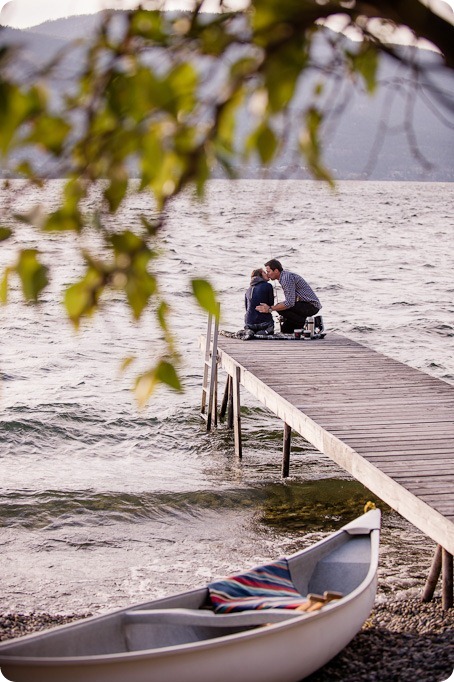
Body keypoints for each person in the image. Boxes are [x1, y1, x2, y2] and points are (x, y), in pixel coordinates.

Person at [256, 259, 321, 334]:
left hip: (311, 306)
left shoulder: (286, 278)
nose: (267, 274)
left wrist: (270, 309)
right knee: (286, 329)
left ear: (276, 271)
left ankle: (309, 322)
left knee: (280, 309)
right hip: (302, 304)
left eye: (268, 271)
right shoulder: (284, 277)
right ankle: (298, 327)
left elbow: (290, 303)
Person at [244, 268, 275, 336]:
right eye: (264, 272)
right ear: (260, 275)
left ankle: (250, 331)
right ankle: (265, 331)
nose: (267, 274)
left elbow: (247, 308)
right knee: (270, 326)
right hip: (264, 323)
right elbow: (271, 304)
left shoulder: (247, 290)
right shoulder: (268, 286)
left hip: (249, 323)